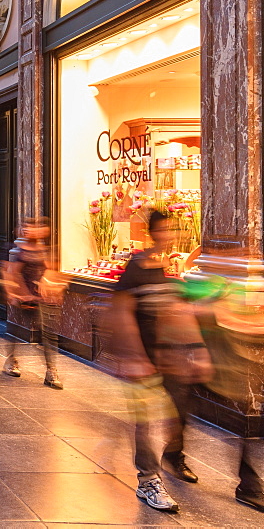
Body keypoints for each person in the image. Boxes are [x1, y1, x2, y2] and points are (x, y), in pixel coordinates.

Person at [108, 210, 213, 513]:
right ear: (152, 232)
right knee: (146, 422)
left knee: (178, 415)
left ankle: (172, 456)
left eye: (173, 229)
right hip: (144, 358)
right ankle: (148, 480)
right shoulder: (137, 267)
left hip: (171, 357)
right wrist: (135, 357)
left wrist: (197, 349)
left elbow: (177, 312)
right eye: (164, 229)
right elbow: (123, 313)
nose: (169, 234)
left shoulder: (167, 267)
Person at [0, 217, 64, 388]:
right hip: (25, 296)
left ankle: (51, 371)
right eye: (27, 227)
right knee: (16, 331)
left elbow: (52, 269)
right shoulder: (19, 250)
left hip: (41, 297)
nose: (31, 230)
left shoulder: (46, 250)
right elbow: (13, 273)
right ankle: (11, 360)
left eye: (35, 227)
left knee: (48, 334)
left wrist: (49, 283)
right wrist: (20, 294)